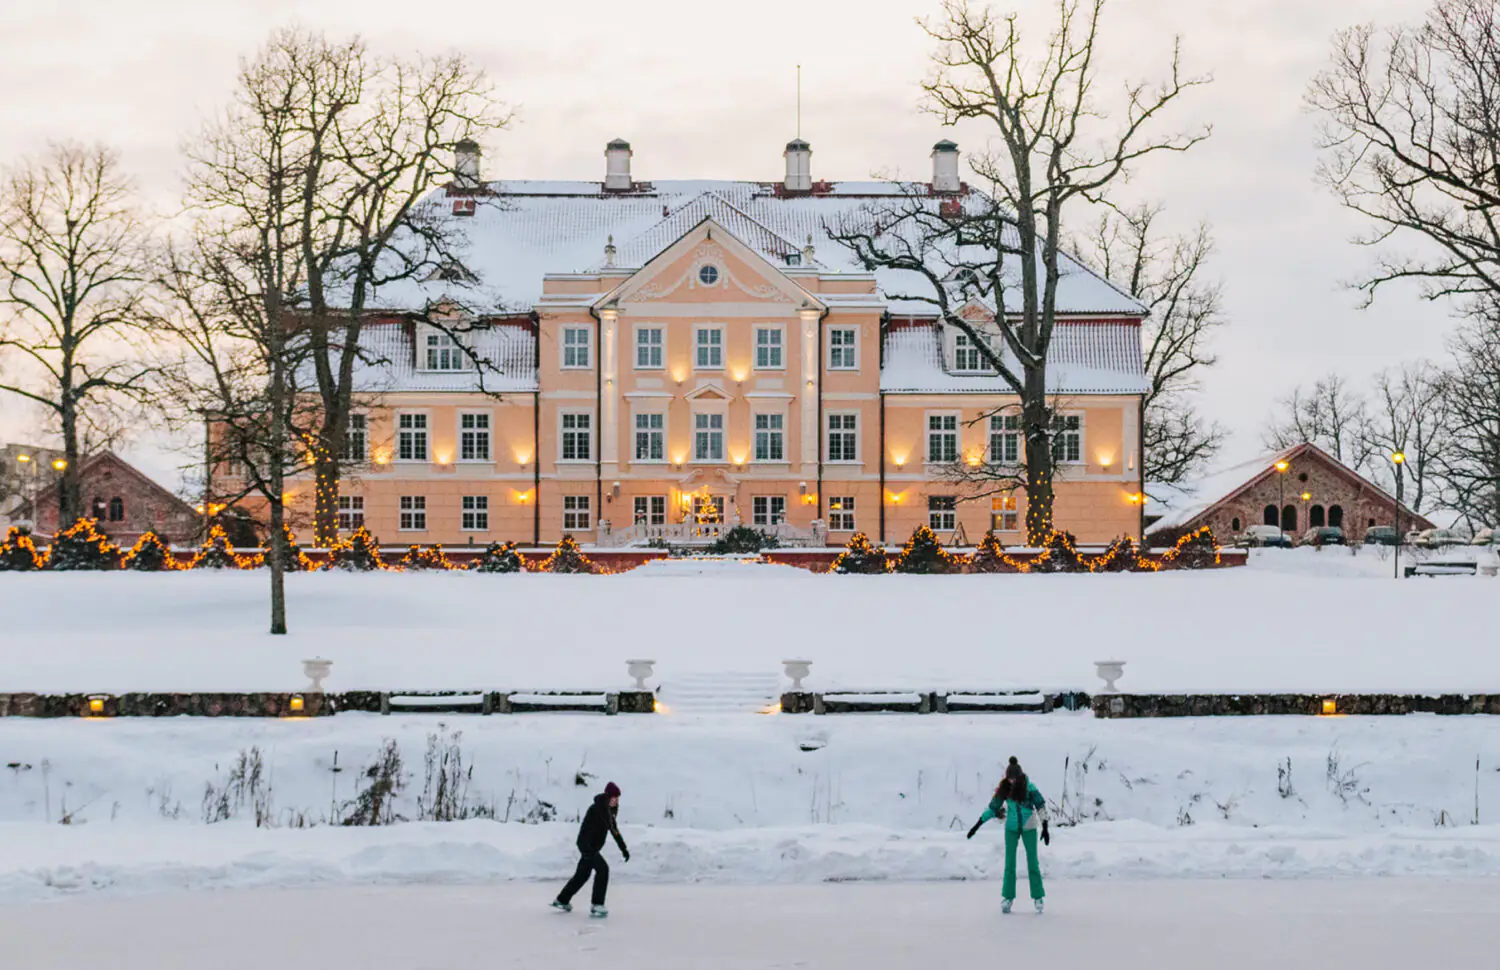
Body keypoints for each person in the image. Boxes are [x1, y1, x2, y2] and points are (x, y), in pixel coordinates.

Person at [966, 756, 1049, 913]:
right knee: (1009, 863)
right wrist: (978, 824)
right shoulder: (1003, 788)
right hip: (1011, 827)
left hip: (1028, 826)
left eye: (1014, 779)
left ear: (1019, 777)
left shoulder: (1029, 788)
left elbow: (1040, 805)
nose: (1012, 782)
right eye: (1009, 779)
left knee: (1033, 862)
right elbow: (993, 808)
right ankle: (1008, 898)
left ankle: (1038, 897)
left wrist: (1045, 825)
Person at [553, 781, 630, 918]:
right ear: (608, 796)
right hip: (588, 846)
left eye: (617, 798)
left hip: (590, 846)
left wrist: (623, 849)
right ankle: (597, 904)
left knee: (582, 875)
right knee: (603, 869)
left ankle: (562, 900)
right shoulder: (598, 808)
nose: (616, 800)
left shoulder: (608, 810)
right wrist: (588, 847)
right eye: (614, 797)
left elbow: (614, 830)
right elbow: (609, 829)